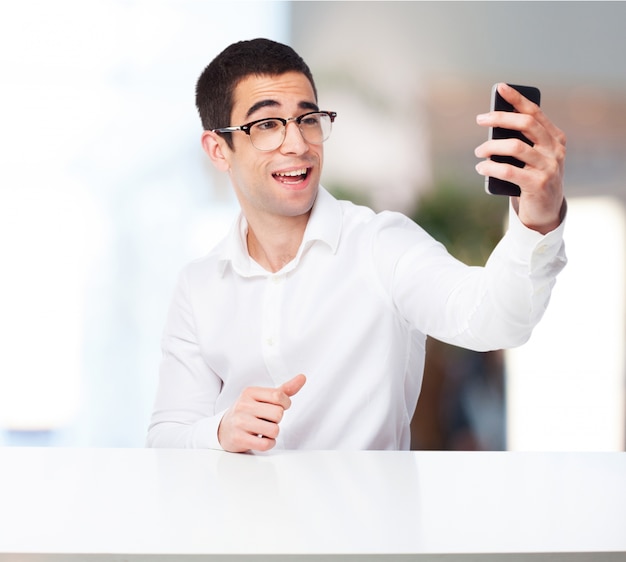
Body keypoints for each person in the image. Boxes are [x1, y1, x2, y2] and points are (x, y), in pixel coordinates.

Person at [146, 38, 567, 453]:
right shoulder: (199, 285)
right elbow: (166, 436)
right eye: (267, 125)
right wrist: (220, 430)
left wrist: (538, 216)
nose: (297, 144)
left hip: (369, 521)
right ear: (218, 149)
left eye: (308, 119)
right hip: (242, 521)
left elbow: (498, 319)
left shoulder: (381, 245)